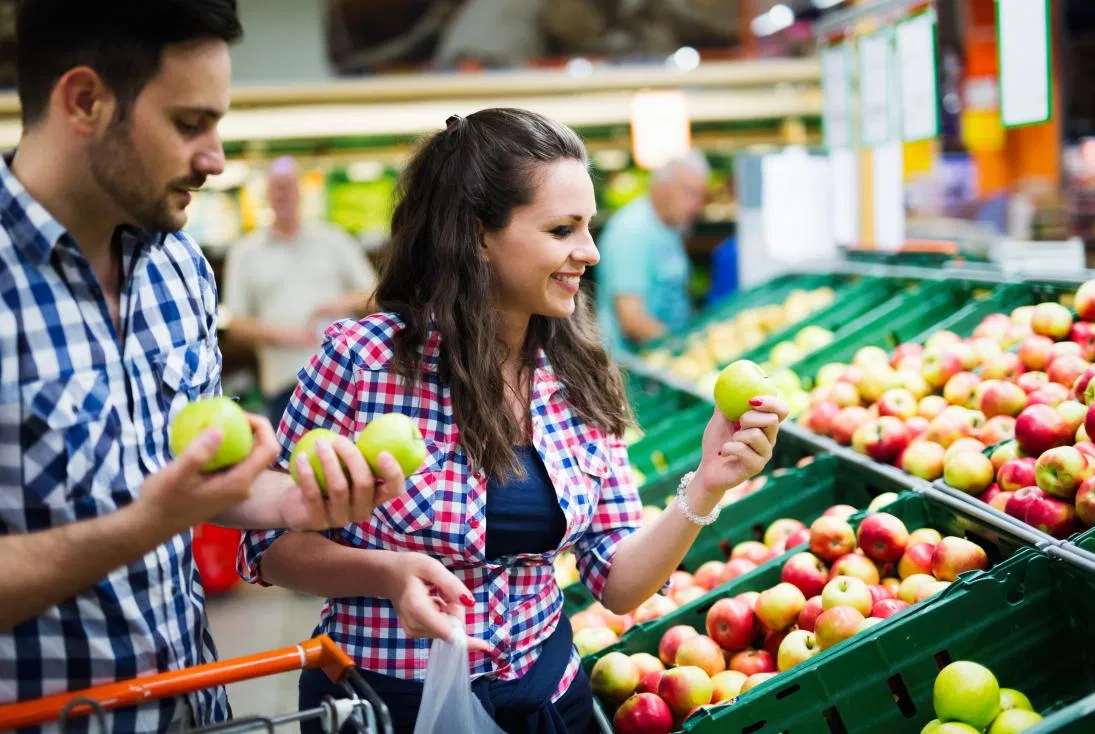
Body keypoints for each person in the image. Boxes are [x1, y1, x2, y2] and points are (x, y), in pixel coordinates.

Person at [237, 109, 787, 734]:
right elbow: (268, 547)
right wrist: (386, 575)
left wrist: (709, 483)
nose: (590, 250)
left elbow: (617, 581)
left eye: (588, 226)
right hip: (389, 699)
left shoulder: (577, 370)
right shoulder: (362, 362)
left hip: (547, 700)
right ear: (477, 236)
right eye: (562, 229)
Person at [0, 2, 406, 732]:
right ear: (84, 101)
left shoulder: (180, 270)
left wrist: (288, 504)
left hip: (199, 709)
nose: (217, 158)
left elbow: (192, 483)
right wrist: (148, 524)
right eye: (190, 125)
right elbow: (156, 512)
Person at [222, 156, 380, 429]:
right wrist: (282, 334)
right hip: (283, 388)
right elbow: (234, 325)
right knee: (288, 470)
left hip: (344, 383)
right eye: (276, 188)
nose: (282, 195)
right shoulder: (245, 252)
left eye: (288, 187)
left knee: (352, 468)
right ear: (266, 195)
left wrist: (335, 303)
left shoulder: (335, 240)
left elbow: (378, 295)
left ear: (301, 192)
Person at [594, 150, 709, 358]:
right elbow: (631, 319)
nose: (698, 205)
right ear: (662, 189)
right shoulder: (632, 231)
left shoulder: (669, 227)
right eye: (690, 193)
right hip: (633, 369)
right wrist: (685, 350)